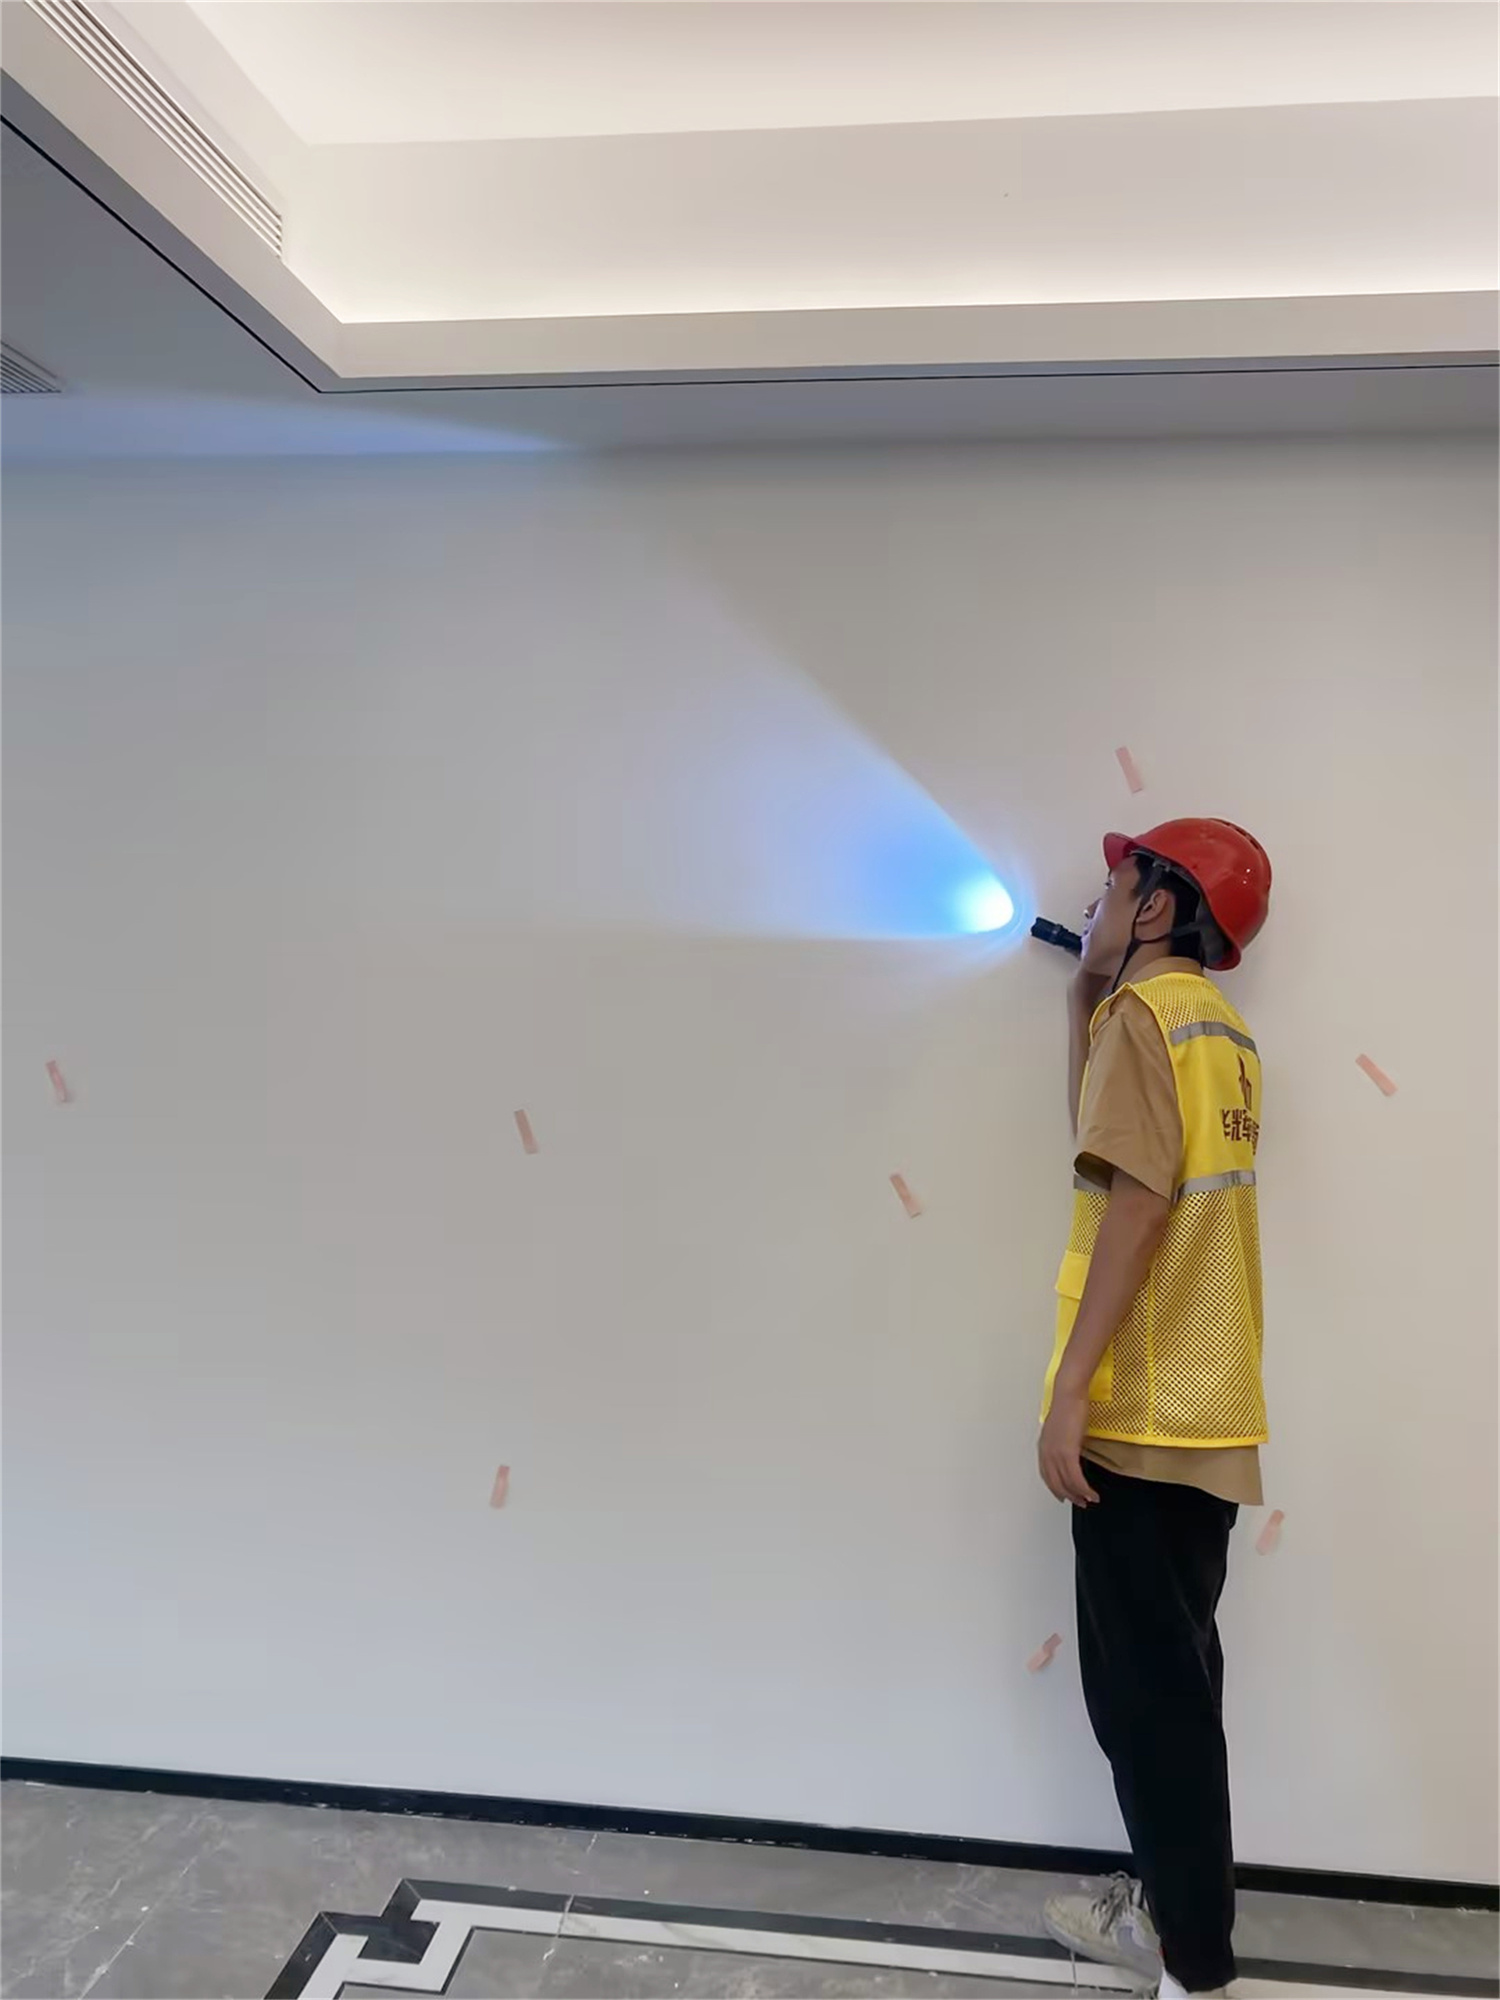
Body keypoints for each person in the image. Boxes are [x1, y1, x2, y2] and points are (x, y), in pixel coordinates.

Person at [1036, 818, 1273, 2000]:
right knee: (1175, 1694)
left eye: (1110, 886)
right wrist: (1084, 987)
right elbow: (1108, 1136)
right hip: (1209, 1403)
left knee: (1150, 1710)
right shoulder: (1215, 1026)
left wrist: (1070, 1390)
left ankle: (1195, 1967)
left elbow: (1132, 1205)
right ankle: (1177, 1923)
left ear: (1157, 908)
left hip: (1140, 1412)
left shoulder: (1146, 1020)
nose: (1093, 901)